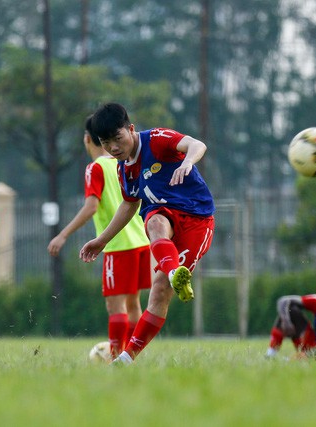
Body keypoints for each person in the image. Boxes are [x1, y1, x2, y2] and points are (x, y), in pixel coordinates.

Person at [79, 102, 215, 364]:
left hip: (198, 219)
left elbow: (197, 145)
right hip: (162, 214)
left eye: (117, 138)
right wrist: (101, 240)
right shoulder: (123, 168)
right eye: (106, 143)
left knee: (161, 291)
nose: (113, 148)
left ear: (130, 129)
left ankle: (172, 273)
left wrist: (187, 162)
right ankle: (124, 361)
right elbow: (130, 205)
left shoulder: (157, 139)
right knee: (153, 223)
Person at [48, 116, 152, 359]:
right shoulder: (124, 161)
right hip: (140, 241)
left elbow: (91, 206)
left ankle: (117, 357)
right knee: (133, 304)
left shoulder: (96, 167)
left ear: (87, 139)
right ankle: (132, 356)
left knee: (115, 307)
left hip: (117, 244)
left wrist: (63, 234)